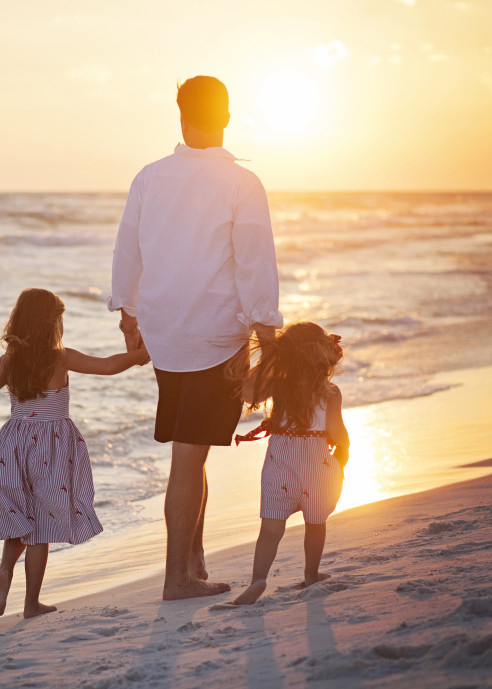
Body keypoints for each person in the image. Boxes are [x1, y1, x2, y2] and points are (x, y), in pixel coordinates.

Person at [108, 75, 283, 600]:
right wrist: (269, 337)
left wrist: (129, 317)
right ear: (226, 117)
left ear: (180, 114)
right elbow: (256, 263)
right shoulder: (241, 183)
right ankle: (176, 579)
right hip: (213, 338)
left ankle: (194, 561)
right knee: (189, 455)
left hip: (165, 335)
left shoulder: (150, 177)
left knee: (194, 451)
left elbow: (127, 250)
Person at [0, 288, 149, 618]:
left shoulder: (8, 362)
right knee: (42, 528)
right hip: (52, 447)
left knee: (22, 514)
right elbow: (107, 366)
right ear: (52, 324)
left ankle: (5, 570)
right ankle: (31, 603)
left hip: (14, 444)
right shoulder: (60, 357)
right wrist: (141, 355)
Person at [231, 321, 350, 605]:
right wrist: (342, 456)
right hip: (317, 463)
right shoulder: (331, 392)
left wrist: (258, 359)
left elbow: (248, 393)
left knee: (271, 528)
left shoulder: (278, 385)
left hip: (280, 460)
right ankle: (311, 573)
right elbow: (337, 430)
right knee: (315, 523)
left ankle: (257, 579)